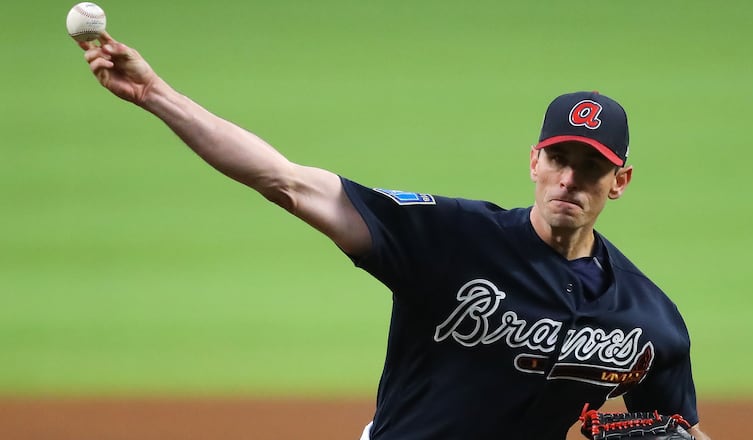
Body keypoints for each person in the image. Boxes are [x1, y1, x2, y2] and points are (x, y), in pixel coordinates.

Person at [77, 32, 712, 440]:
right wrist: (156, 94)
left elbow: (680, 429)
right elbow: (287, 181)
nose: (571, 179)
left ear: (619, 180)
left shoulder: (649, 322)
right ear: (534, 161)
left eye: (592, 166)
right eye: (560, 159)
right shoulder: (452, 237)